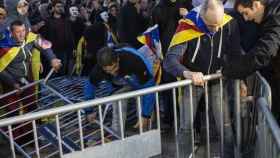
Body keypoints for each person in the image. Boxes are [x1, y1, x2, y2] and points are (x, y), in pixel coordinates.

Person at [163, 0, 241, 156]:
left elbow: (235, 55)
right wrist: (188, 73)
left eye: (219, 24)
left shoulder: (229, 22)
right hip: (191, 82)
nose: (217, 28)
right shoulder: (187, 25)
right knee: (186, 126)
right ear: (202, 17)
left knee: (225, 124)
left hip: (216, 79)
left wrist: (242, 81)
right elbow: (169, 60)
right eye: (212, 26)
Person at [0, 20, 61, 144]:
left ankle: (31, 138)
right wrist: (13, 83)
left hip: (28, 80)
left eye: (23, 31)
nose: (22, 34)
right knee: (13, 112)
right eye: (18, 32)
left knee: (31, 108)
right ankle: (15, 142)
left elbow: (45, 46)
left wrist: (53, 58)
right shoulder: (3, 45)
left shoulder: (29, 38)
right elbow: (1, 69)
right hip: (10, 84)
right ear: (11, 33)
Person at [83, 45, 155, 135]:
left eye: (114, 67)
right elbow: (90, 85)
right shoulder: (98, 69)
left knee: (143, 105)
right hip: (123, 81)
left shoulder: (133, 61)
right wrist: (89, 110)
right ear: (102, 67)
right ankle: (116, 135)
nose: (112, 72)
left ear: (118, 60)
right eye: (108, 71)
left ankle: (145, 134)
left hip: (141, 79)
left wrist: (146, 115)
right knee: (117, 101)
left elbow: (149, 87)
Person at [228, 0, 280, 119]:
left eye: (246, 13)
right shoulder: (268, 18)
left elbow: (264, 52)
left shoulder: (275, 17)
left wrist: (232, 71)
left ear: (256, 4)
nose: (246, 19)